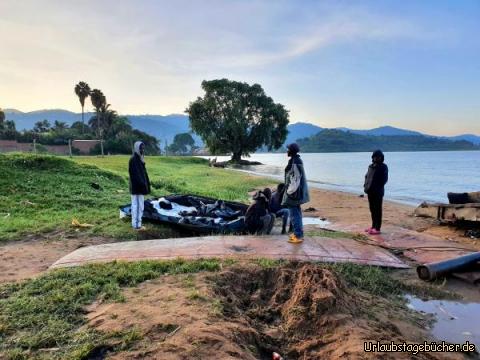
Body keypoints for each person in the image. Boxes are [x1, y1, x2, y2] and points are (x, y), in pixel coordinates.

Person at [281, 143, 309, 244]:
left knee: (294, 214)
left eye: (288, 149)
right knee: (296, 212)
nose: (287, 151)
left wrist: (289, 192)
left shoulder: (295, 161)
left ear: (291, 151)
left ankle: (298, 236)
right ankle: (298, 233)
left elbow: (295, 180)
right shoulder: (295, 160)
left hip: (294, 193)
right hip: (295, 192)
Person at [364, 149, 388, 235]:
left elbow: (384, 180)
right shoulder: (371, 166)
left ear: (382, 157)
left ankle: (377, 228)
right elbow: (367, 176)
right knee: (372, 209)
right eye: (375, 157)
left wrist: (376, 187)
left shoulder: (383, 167)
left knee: (378, 210)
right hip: (370, 191)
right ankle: (373, 226)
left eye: (379, 157)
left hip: (378, 192)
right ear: (372, 157)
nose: (377, 158)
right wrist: (365, 186)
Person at [129, 141, 151, 230]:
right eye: (140, 148)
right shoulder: (134, 159)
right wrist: (143, 185)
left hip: (139, 187)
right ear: (137, 148)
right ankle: (137, 226)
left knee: (138, 205)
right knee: (137, 206)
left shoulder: (139, 158)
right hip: (137, 188)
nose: (142, 150)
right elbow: (136, 175)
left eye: (143, 148)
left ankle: (137, 223)